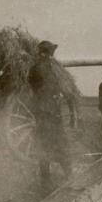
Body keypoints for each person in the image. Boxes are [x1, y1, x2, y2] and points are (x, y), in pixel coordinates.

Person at [28, 40, 77, 192]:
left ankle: (67, 175)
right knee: (47, 147)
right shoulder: (39, 69)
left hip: (52, 112)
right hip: (45, 113)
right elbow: (38, 89)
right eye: (48, 53)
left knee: (56, 144)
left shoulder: (49, 67)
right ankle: (48, 181)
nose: (50, 56)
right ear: (42, 53)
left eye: (50, 53)